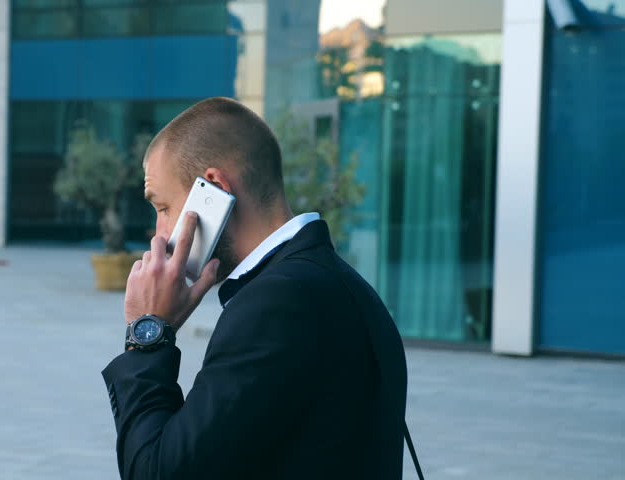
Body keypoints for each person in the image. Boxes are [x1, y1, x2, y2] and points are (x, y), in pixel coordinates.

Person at [102, 97, 408, 479]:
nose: (160, 234)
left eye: (163, 208)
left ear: (212, 189)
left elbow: (158, 471)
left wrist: (146, 333)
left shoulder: (276, 303)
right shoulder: (336, 280)